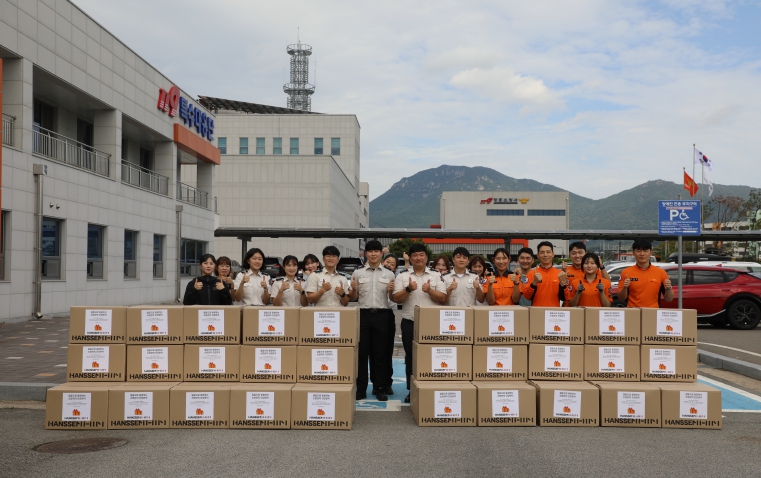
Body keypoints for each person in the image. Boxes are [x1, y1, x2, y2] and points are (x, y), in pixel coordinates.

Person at [393, 243, 446, 403]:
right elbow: (396, 298)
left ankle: (429, 388)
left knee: (431, 356)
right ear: (410, 257)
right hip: (409, 322)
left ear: (426, 257)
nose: (418, 258)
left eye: (421, 254)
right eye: (415, 255)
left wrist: (429, 290)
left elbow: (442, 297)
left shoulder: (435, 275)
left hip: (431, 323)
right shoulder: (402, 276)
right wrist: (408, 289)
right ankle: (412, 390)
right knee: (411, 357)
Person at [349, 240, 393, 401]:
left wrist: (391, 291)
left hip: (382, 315)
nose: (373, 254)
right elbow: (353, 297)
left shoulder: (389, 274)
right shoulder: (358, 273)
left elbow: (392, 298)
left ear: (381, 254)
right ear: (365, 254)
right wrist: (353, 289)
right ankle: (361, 389)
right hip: (363, 315)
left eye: (376, 251)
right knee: (362, 353)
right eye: (370, 251)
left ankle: (379, 387)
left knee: (380, 354)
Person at [371, 252, 399, 395]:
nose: (389, 265)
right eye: (387, 262)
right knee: (374, 352)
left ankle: (387, 383)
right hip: (372, 315)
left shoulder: (395, 279)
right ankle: (376, 383)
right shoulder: (373, 275)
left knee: (386, 351)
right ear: (382, 262)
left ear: (395, 269)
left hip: (387, 314)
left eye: (393, 264)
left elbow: (396, 299)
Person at [617, 239, 674, 308]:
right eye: (638, 251)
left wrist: (668, 288)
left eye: (645, 251)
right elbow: (621, 298)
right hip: (633, 311)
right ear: (633, 253)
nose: (642, 254)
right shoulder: (626, 272)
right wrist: (625, 287)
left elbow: (669, 299)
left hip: (653, 312)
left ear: (650, 253)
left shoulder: (661, 272)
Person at [522, 241, 568, 307]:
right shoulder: (532, 273)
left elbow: (565, 298)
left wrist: (563, 284)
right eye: (542, 252)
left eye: (548, 252)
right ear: (538, 255)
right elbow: (527, 297)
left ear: (553, 254)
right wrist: (534, 283)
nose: (545, 255)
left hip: (554, 312)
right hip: (537, 311)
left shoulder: (560, 274)